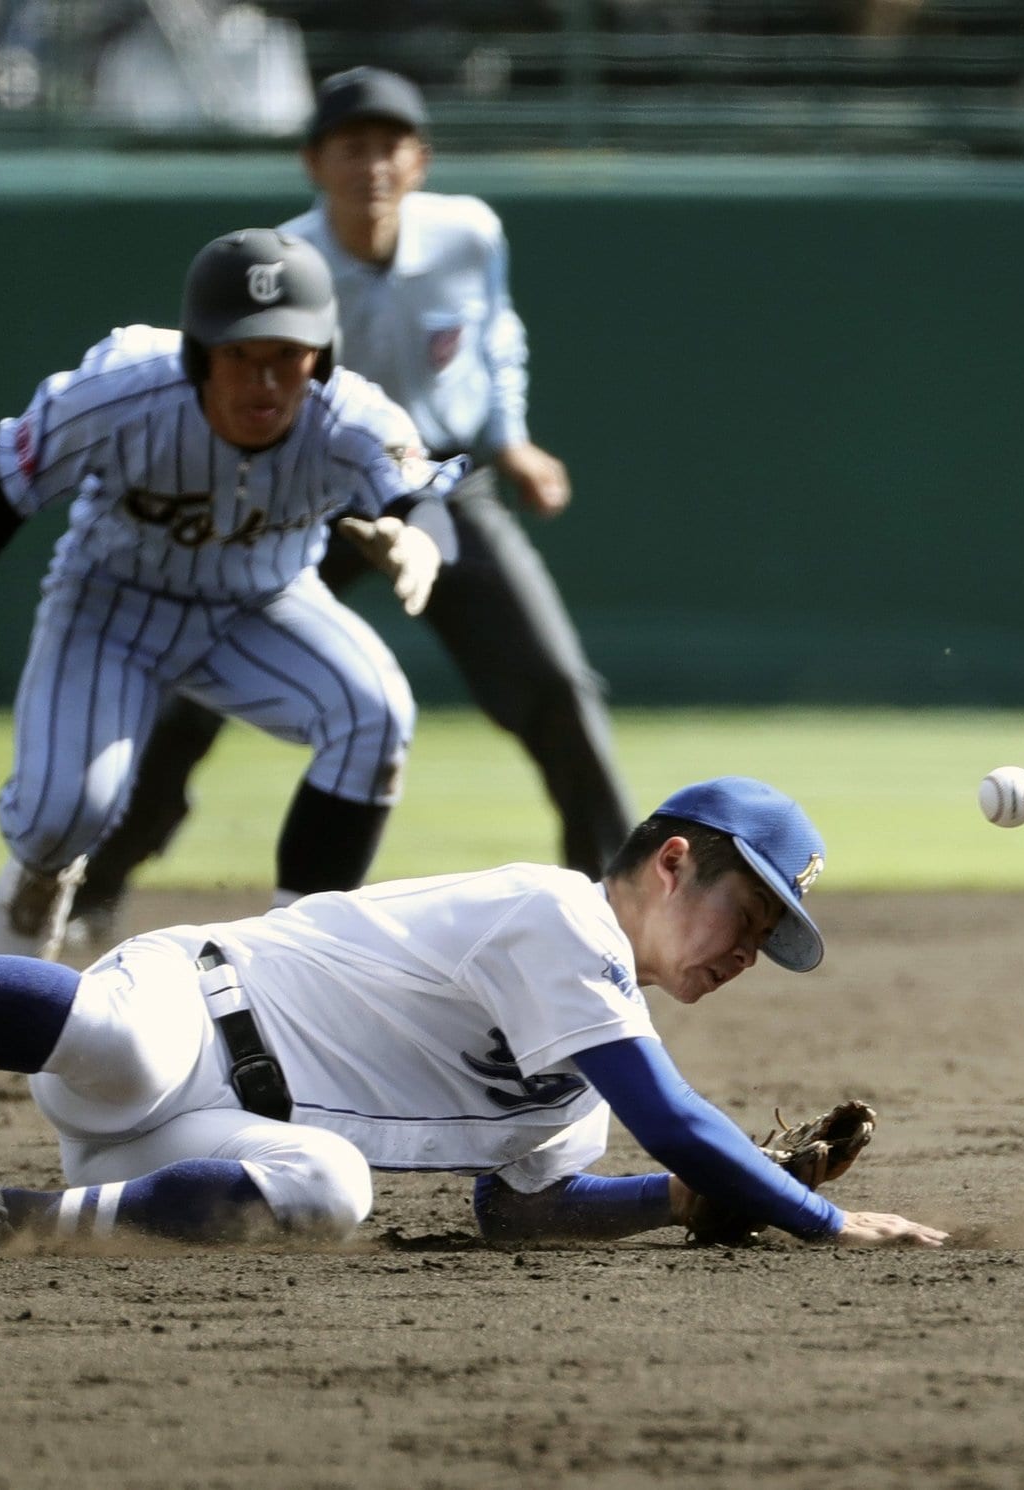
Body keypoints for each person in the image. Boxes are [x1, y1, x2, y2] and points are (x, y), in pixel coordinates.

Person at [0, 776, 946, 1253]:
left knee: (333, 1190)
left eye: (770, 939)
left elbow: (522, 1210)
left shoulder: (584, 1058)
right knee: (122, 1035)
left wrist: (671, 1202)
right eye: (749, 911)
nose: (750, 951)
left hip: (180, 1157)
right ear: (673, 862)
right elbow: (669, 1114)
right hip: (185, 1011)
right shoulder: (560, 918)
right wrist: (823, 1216)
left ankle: (8, 1216)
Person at [69, 66, 635, 948]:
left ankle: (618, 903)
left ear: (419, 161)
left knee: (555, 682)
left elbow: (496, 336)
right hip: (304, 495)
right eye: (351, 147)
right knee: (190, 697)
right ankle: (96, 883)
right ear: (314, 163)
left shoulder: (468, 234)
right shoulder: (281, 268)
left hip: (436, 486)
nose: (372, 164)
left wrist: (511, 437)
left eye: (389, 146)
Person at [0, 226, 466, 957]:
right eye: (241, 355)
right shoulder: (123, 388)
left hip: (260, 606)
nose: (264, 381)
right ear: (200, 352)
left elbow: (422, 498)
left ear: (320, 356)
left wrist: (420, 537)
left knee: (376, 713)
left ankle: (299, 963)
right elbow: (5, 497)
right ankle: (36, 897)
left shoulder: (349, 416)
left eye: (285, 356)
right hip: (112, 603)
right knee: (61, 817)